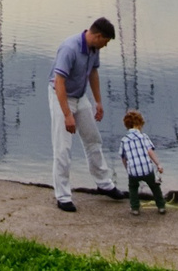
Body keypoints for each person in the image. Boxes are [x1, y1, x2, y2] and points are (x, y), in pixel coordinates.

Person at [49, 15, 118, 211]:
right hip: (61, 96)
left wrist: (98, 101)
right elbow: (59, 83)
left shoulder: (93, 49)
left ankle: (104, 184)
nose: (105, 46)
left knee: (93, 138)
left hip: (80, 96)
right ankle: (62, 196)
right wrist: (67, 115)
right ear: (97, 36)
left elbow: (93, 73)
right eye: (105, 42)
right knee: (63, 148)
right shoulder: (69, 48)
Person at [119, 110, 166, 214]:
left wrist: (127, 169)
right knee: (155, 187)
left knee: (133, 188)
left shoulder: (124, 140)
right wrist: (158, 164)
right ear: (139, 124)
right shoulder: (144, 137)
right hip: (147, 169)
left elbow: (123, 158)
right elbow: (150, 151)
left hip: (133, 171)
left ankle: (135, 208)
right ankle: (161, 206)